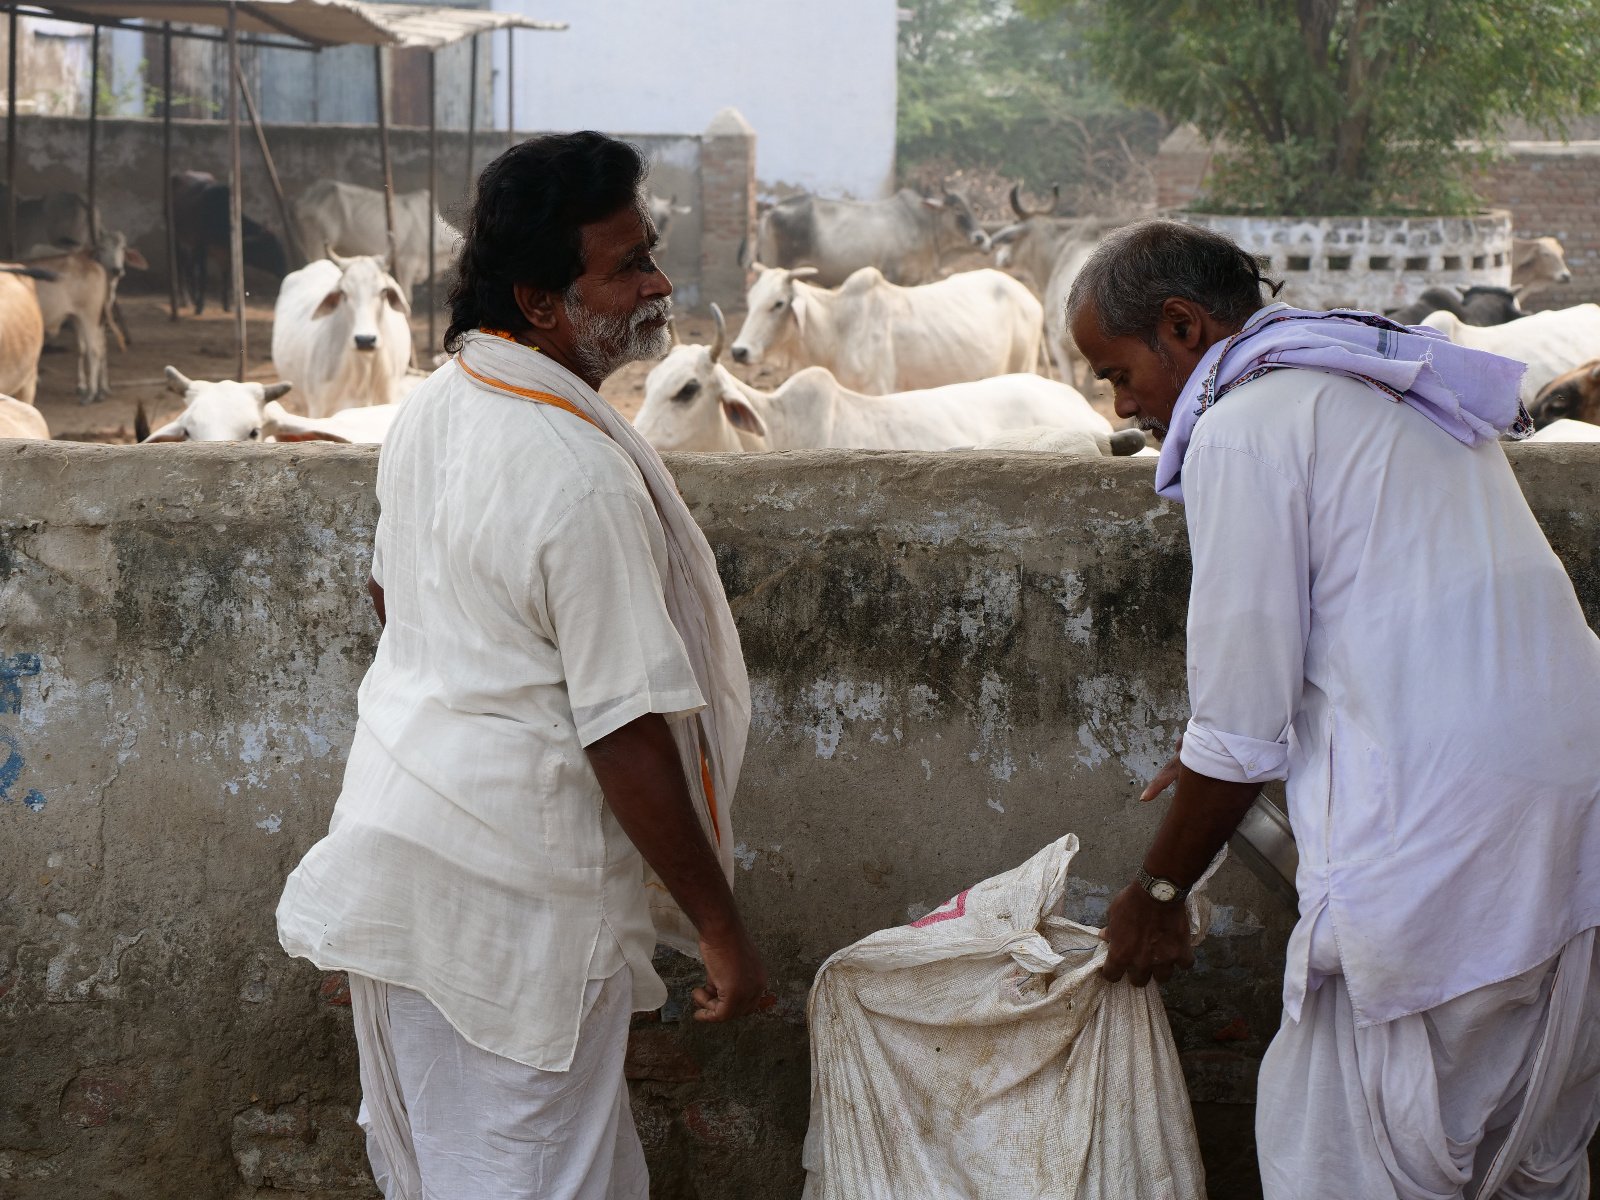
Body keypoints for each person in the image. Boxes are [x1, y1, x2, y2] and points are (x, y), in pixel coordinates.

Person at [275, 131, 767, 1200]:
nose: (658, 284)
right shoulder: (575, 471)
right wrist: (721, 928)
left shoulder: (440, 405)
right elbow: (623, 731)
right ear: (542, 303)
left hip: (400, 850)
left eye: (650, 253)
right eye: (627, 265)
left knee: (474, 1171)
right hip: (518, 907)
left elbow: (390, 598)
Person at [1072, 220, 1600, 1199]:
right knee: (1525, 1163)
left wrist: (1154, 897)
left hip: (1444, 851)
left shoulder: (1245, 424)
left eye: (1115, 371)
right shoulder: (1387, 386)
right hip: (1572, 831)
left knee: (1337, 1156)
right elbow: (1388, 628)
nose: (1123, 402)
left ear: (1180, 328)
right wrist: (1211, 764)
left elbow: (1237, 727)